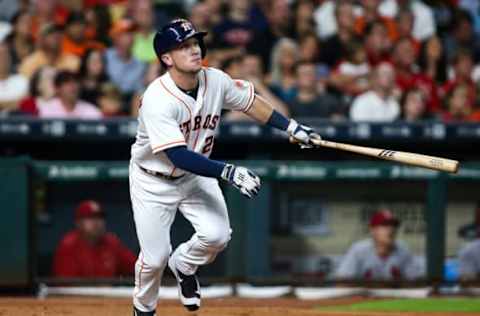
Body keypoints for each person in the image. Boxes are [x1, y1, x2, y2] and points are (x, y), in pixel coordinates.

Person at [129, 18, 320, 315]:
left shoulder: (214, 79)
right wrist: (228, 172)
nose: (194, 49)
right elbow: (177, 155)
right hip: (154, 180)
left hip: (196, 173)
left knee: (217, 236)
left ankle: (184, 264)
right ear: (166, 58)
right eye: (184, 46)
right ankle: (143, 310)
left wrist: (291, 127)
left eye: (195, 43)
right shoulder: (157, 99)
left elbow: (250, 102)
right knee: (154, 259)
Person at [53, 200, 136, 278]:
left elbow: (135, 268)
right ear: (78, 223)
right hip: (79, 293)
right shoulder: (68, 246)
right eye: (90, 218)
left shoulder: (112, 242)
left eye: (100, 217)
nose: (96, 222)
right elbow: (66, 286)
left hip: (107, 292)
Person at [335, 209, 419, 281]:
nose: (391, 229)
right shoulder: (359, 250)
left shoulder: (403, 249)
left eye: (393, 225)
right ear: (372, 230)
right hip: (365, 298)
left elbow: (416, 281)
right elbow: (342, 279)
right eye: (385, 225)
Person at [38, 70, 102, 119]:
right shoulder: (46, 109)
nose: (72, 86)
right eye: (66, 82)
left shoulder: (91, 111)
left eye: (75, 82)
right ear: (57, 88)